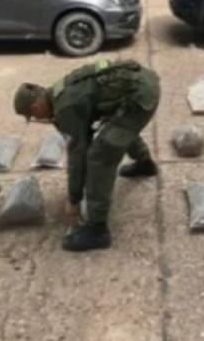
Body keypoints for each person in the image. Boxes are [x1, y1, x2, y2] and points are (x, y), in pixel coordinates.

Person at [13, 59, 160, 252]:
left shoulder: (64, 108)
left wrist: (73, 199)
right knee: (117, 129)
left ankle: (97, 230)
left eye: (32, 116)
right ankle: (145, 164)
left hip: (140, 96)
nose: (37, 120)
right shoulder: (58, 91)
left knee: (100, 155)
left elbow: (77, 155)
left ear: (36, 108)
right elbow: (87, 128)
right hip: (140, 82)